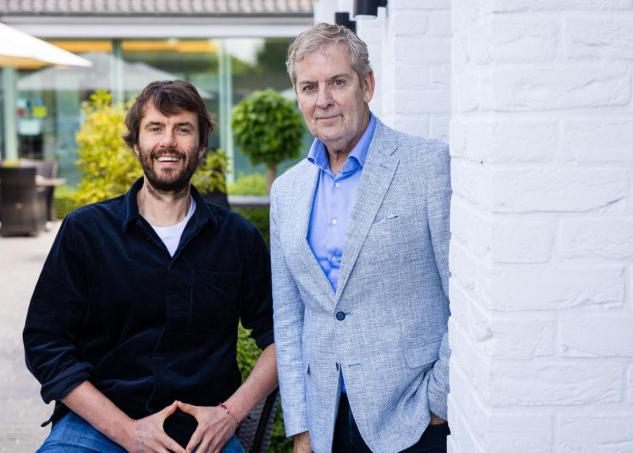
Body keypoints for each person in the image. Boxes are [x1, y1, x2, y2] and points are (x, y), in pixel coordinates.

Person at [23, 80, 277, 453]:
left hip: (202, 432)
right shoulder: (86, 231)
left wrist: (230, 413)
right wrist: (127, 432)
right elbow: (44, 343)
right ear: (137, 143)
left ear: (201, 147)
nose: (168, 142)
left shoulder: (237, 239)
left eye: (183, 129)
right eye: (155, 128)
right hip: (96, 428)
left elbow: (281, 336)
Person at [271, 23, 451, 453]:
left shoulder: (428, 165)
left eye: (337, 82)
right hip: (325, 423)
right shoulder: (286, 191)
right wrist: (301, 427)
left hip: (412, 418)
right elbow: (288, 317)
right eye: (309, 87)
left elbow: (461, 295)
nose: (323, 100)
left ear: (366, 85)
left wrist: (438, 401)